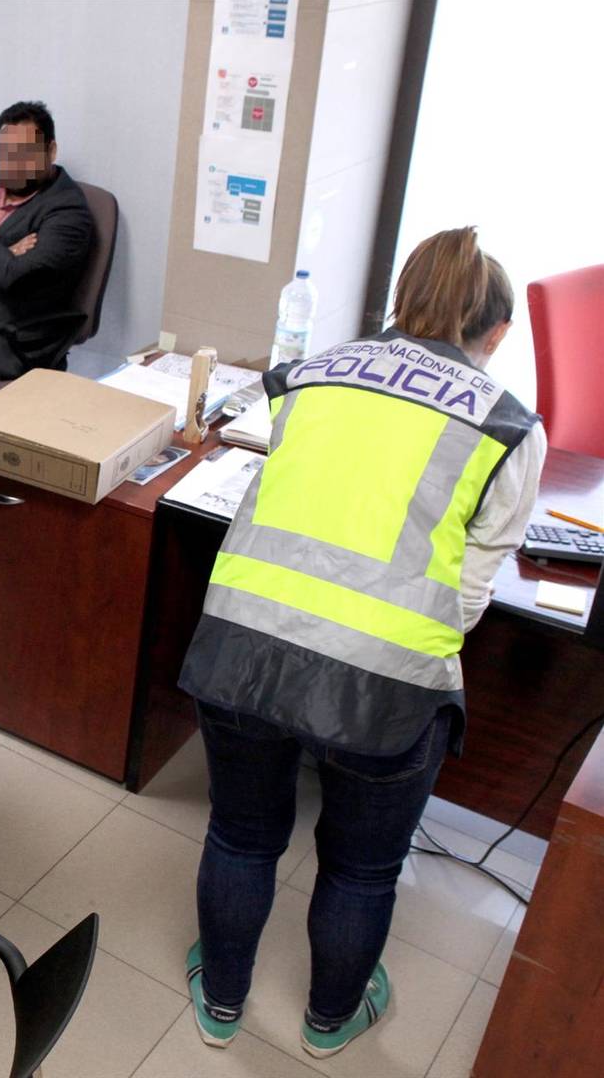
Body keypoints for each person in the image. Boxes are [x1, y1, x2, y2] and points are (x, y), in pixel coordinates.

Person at [177, 228, 546, 1058]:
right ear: (493, 334)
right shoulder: (508, 427)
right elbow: (468, 602)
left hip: (242, 646)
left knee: (241, 835)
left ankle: (221, 1004)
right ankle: (330, 1020)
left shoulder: (313, 371)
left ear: (401, 300)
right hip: (387, 682)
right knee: (361, 868)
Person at [0, 100, 94, 379]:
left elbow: (14, 277)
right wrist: (1, 253)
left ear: (51, 151)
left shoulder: (67, 212)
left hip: (5, 338)